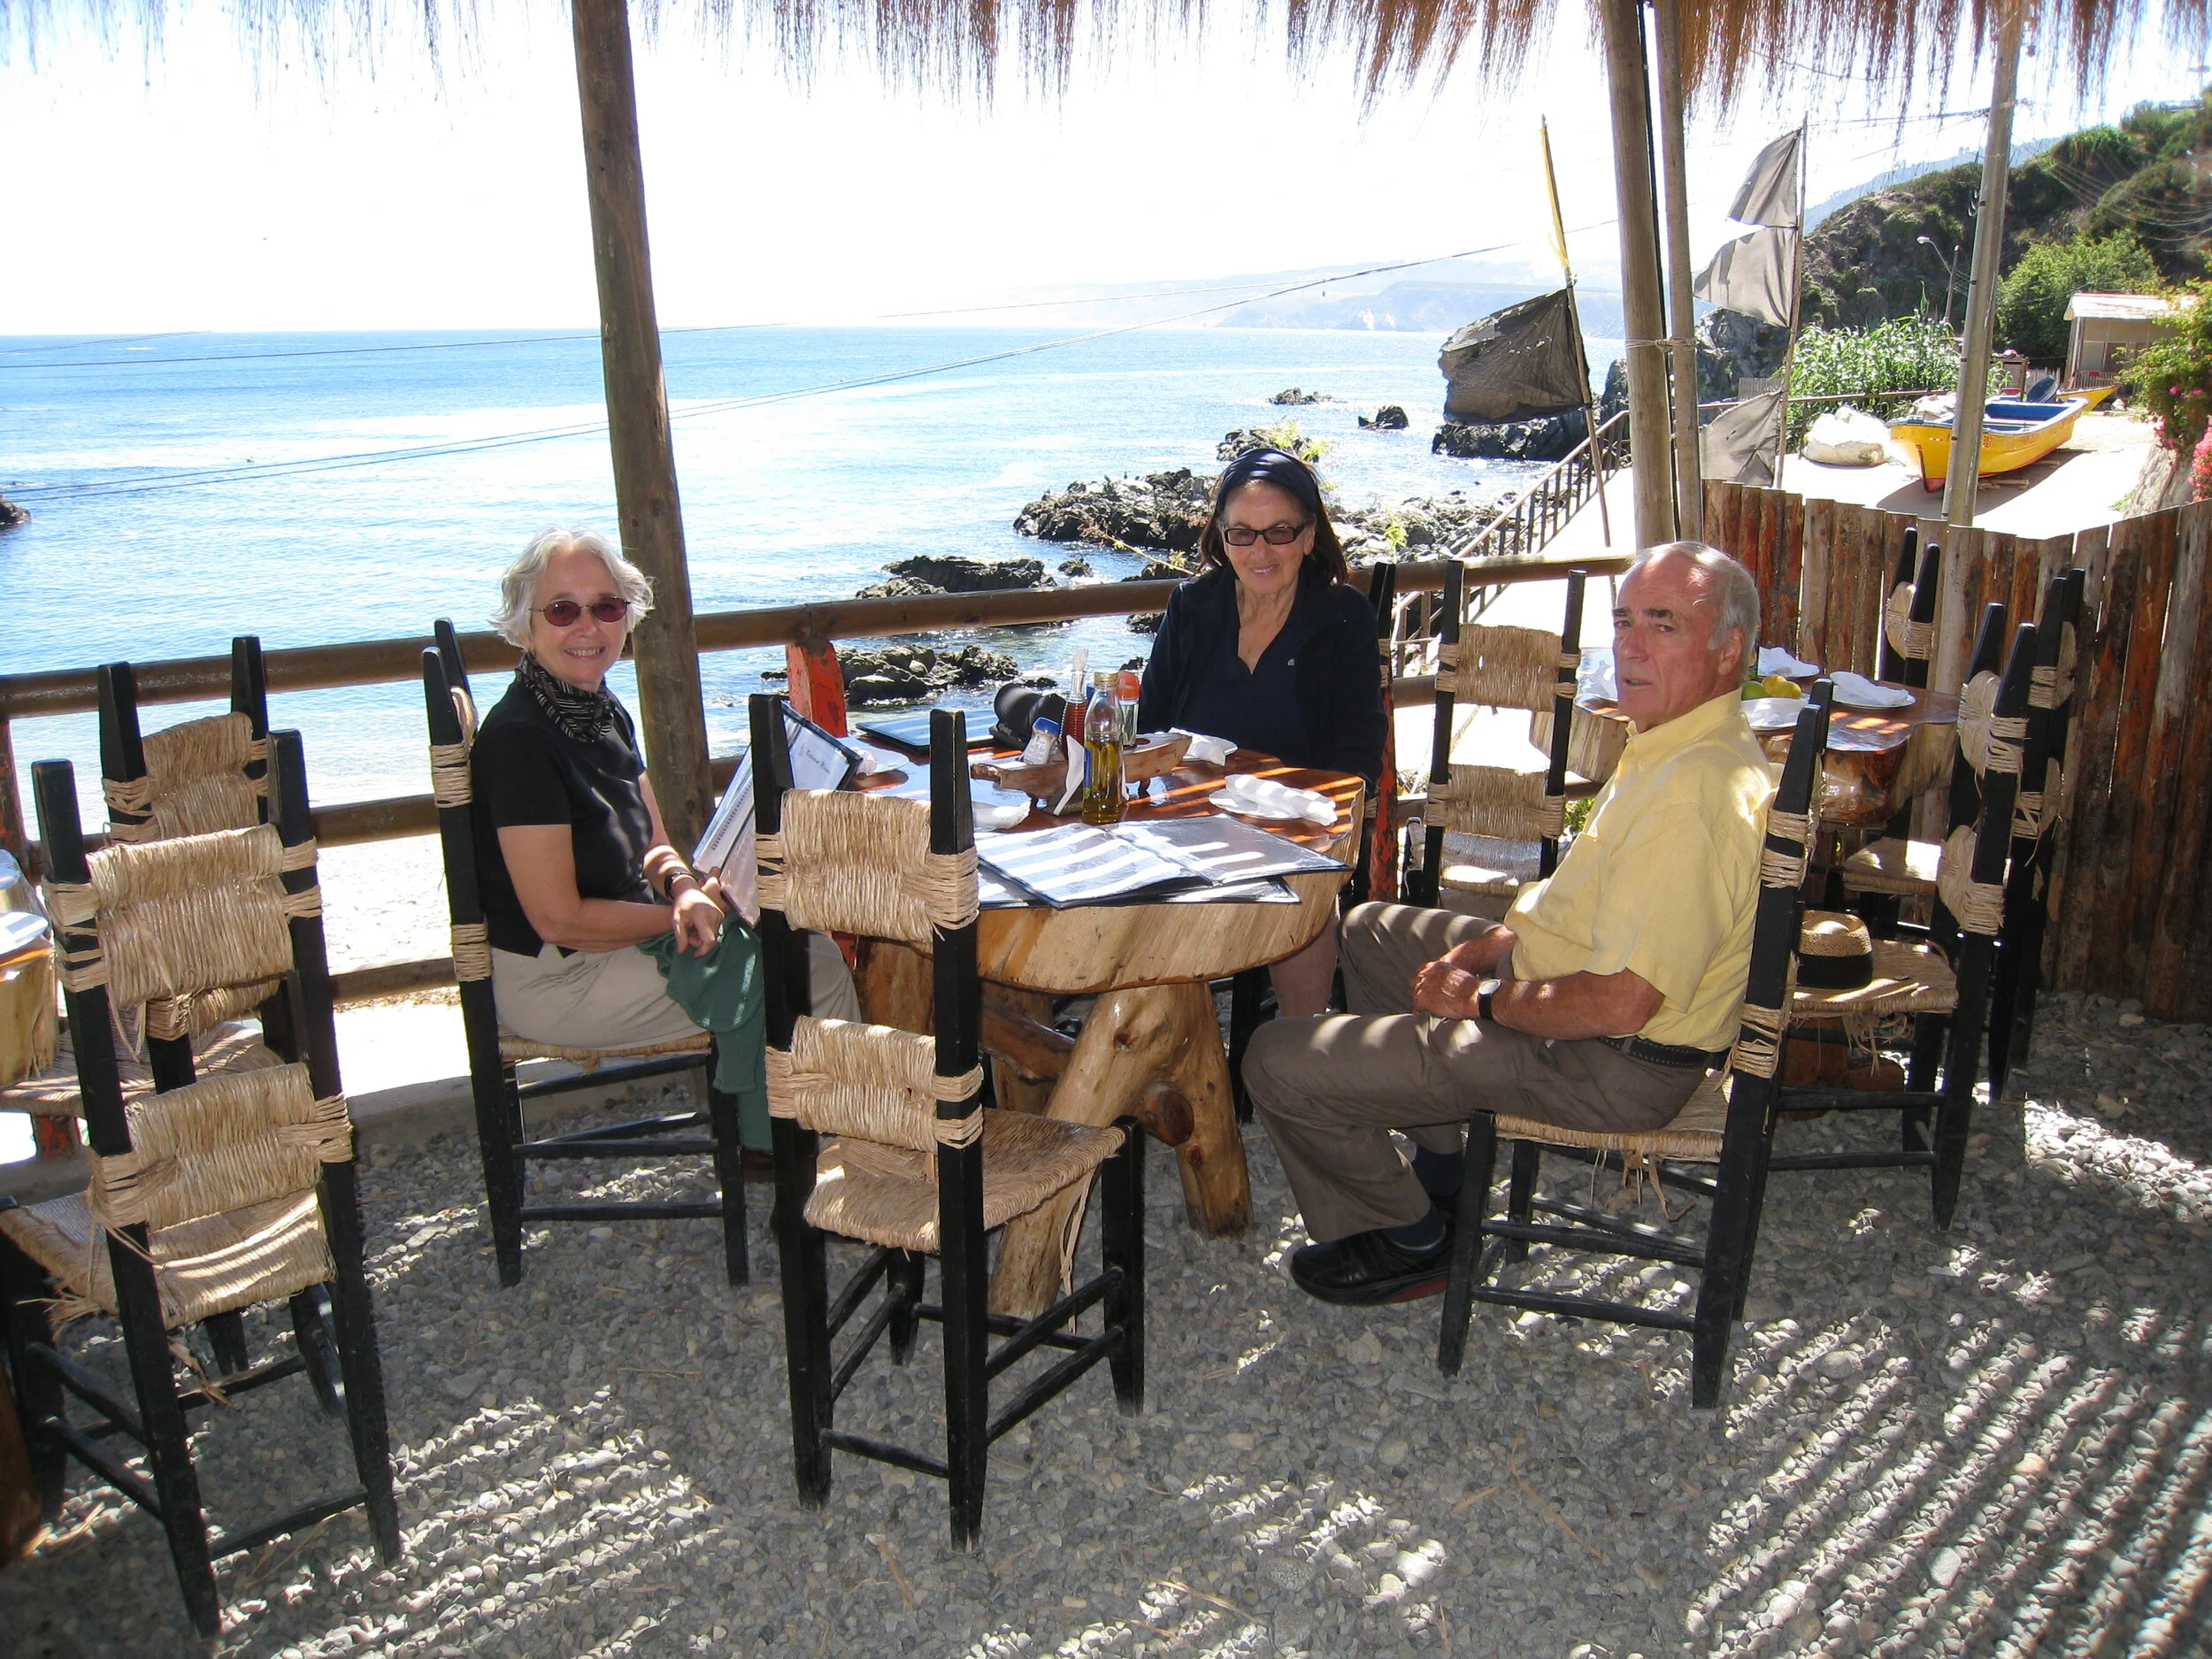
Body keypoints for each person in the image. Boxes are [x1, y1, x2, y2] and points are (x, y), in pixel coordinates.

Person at [1242, 542, 1774, 1306]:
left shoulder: (1694, 796)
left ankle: (1409, 1237)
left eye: (1663, 625)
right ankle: (1445, 1172)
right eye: (1624, 621)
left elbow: (1623, 1001)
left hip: (1609, 1064)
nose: (1630, 647)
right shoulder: (1679, 740)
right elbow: (1577, 901)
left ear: (1729, 651)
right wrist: (1488, 947)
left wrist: (1482, 1000)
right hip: (1576, 1003)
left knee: (1274, 1058)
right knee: (1369, 931)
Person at [471, 528, 858, 1088]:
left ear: (626, 617)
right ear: (525, 625)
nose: (587, 627)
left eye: (606, 607)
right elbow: (558, 919)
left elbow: (654, 846)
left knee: (812, 951)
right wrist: (686, 915)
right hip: (559, 979)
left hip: (617, 944)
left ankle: (805, 1119)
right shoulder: (520, 740)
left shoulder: (599, 711)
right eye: (562, 610)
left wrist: (684, 888)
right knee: (809, 975)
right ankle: (824, 1126)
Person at [1136, 447, 1387, 1015]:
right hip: (1191, 818)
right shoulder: (1193, 606)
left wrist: (1309, 819)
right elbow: (1150, 724)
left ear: (1308, 535)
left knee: (1301, 889)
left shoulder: (1343, 615)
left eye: (1279, 531)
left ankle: (1303, 1038)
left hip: (1295, 823)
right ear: (1222, 540)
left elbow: (1359, 747)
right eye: (1242, 534)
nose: (1260, 551)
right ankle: (1168, 1035)